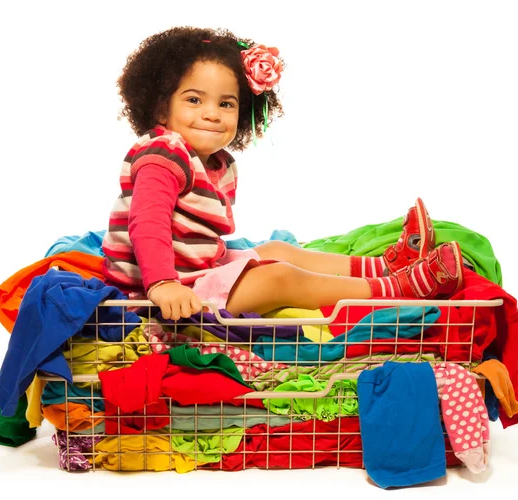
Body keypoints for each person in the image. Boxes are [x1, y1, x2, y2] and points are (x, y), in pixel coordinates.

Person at [102, 26, 465, 321]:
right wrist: (163, 283)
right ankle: (398, 288)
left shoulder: (217, 163)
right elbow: (147, 222)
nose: (212, 114)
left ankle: (384, 266)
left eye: (226, 103)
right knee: (279, 277)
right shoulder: (162, 153)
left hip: (195, 274)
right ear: (161, 108)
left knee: (276, 250)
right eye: (194, 100)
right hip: (159, 297)